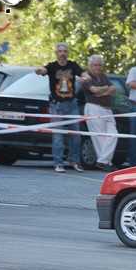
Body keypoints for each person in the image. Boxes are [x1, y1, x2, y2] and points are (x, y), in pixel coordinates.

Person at [36, 43, 84, 173]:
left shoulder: (73, 65)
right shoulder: (52, 66)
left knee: (76, 136)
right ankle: (58, 163)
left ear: (67, 53)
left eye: (65, 51)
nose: (62, 54)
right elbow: (43, 70)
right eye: (60, 51)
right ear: (56, 53)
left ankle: (75, 161)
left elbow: (82, 73)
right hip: (56, 106)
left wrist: (86, 76)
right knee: (58, 136)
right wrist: (39, 70)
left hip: (72, 105)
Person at [80, 55, 118, 172]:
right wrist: (105, 89)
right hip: (93, 107)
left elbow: (113, 88)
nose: (97, 67)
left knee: (114, 134)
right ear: (90, 66)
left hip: (107, 108)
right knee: (99, 136)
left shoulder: (103, 76)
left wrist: (102, 90)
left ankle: (102, 161)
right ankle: (106, 162)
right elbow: (93, 90)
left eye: (99, 65)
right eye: (95, 65)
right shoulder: (86, 76)